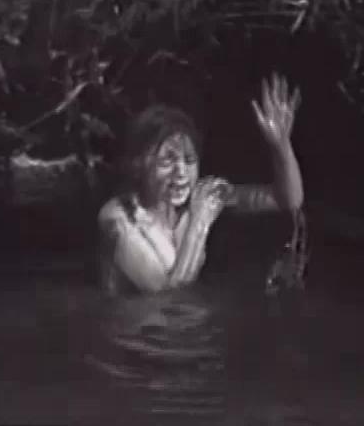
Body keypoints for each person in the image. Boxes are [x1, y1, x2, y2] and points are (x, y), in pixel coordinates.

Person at [97, 73, 304, 295]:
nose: (181, 173)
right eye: (167, 161)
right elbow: (164, 298)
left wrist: (281, 147)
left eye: (189, 160)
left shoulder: (198, 198)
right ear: (138, 166)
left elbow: (288, 200)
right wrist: (199, 223)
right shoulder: (119, 219)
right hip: (136, 316)